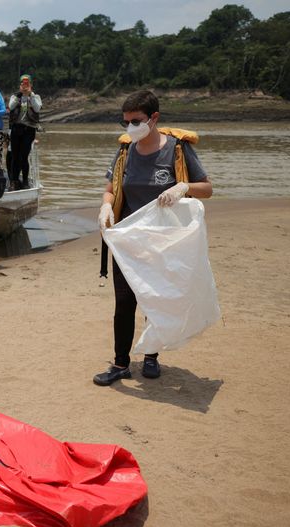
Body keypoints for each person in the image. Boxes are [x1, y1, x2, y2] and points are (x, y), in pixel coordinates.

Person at [94, 90, 213, 386]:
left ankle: (151, 357)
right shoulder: (125, 151)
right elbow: (110, 188)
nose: (130, 127)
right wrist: (106, 205)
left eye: (136, 121)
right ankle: (121, 364)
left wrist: (183, 187)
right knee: (124, 302)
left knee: (155, 298)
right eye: (125, 123)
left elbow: (207, 188)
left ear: (154, 118)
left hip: (163, 242)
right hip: (128, 239)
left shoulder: (176, 150)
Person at [8, 74, 42, 190]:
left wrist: (30, 95)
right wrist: (20, 95)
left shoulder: (35, 97)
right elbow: (11, 107)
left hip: (29, 130)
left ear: (31, 85)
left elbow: (37, 108)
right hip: (16, 129)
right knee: (15, 157)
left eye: (27, 83)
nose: (25, 86)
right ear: (20, 85)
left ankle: (25, 181)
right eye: (23, 83)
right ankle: (14, 181)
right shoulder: (15, 96)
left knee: (24, 156)